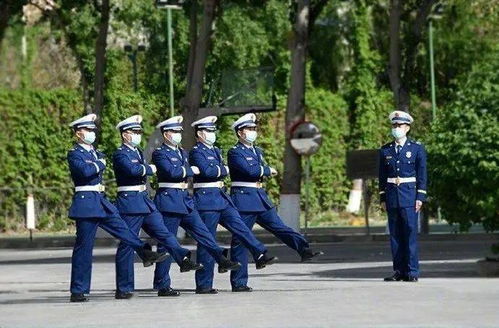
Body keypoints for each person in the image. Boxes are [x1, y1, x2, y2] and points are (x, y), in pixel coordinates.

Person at [67, 114, 168, 303]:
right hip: (86, 202)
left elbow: (93, 168)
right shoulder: (75, 153)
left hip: (101, 200)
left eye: (92, 130)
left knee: (125, 232)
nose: (91, 133)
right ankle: (78, 290)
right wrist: (99, 164)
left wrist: (97, 162)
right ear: (78, 133)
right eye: (87, 130)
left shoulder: (95, 153)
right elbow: (84, 171)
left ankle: (144, 251)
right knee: (84, 248)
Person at [227, 113, 323, 292]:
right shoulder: (235, 152)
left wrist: (262, 171)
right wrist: (265, 169)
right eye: (249, 129)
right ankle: (239, 282)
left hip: (259, 197)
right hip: (244, 199)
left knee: (280, 228)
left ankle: (304, 250)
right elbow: (249, 171)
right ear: (240, 133)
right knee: (240, 240)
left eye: (254, 129)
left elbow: (256, 171)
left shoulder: (257, 151)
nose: (253, 132)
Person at [113, 115, 202, 300]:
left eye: (139, 131)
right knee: (128, 244)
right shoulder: (120, 153)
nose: (138, 135)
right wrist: (149, 169)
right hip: (129, 202)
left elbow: (141, 169)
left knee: (165, 234)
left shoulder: (136, 153)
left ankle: (182, 260)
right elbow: (134, 171)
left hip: (144, 200)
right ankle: (124, 288)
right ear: (124, 135)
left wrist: (146, 168)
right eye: (134, 132)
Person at [152, 115, 241, 297]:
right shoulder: (160, 153)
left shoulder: (182, 153)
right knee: (167, 243)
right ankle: (162, 284)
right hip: (168, 201)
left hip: (185, 200)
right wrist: (189, 170)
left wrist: (188, 171)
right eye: (175, 132)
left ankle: (220, 260)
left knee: (204, 234)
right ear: (166, 134)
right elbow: (171, 172)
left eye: (179, 132)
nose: (178, 135)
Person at [189, 116, 278, 294]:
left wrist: (220, 171)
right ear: (200, 133)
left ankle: (259, 254)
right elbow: (208, 172)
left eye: (213, 131)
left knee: (241, 230)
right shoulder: (196, 152)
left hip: (222, 198)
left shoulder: (216, 150)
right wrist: (222, 170)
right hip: (206, 200)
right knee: (208, 241)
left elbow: (220, 172)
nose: (212, 134)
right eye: (209, 131)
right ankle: (204, 284)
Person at [379, 110, 427, 282]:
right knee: (395, 236)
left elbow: (422, 175)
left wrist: (420, 197)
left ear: (407, 128)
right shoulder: (385, 150)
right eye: (394, 125)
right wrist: (383, 198)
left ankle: (412, 272)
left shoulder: (416, 149)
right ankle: (398, 271)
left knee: (410, 234)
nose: (396, 128)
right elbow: (382, 177)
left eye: (399, 125)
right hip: (392, 197)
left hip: (409, 197)